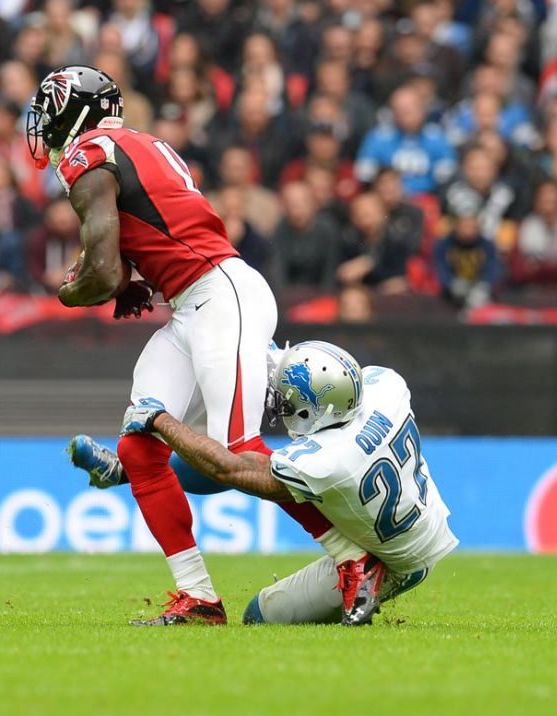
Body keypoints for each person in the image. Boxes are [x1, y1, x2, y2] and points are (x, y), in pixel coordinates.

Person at [32, 65, 340, 626]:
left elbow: (99, 274)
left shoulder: (89, 156)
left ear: (75, 113)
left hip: (221, 293)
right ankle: (197, 595)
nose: (46, 126)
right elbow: (161, 228)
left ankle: (353, 555)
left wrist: (70, 290)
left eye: (51, 110)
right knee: (138, 444)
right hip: (192, 303)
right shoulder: (143, 144)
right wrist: (136, 280)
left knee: (240, 453)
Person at [116, 341, 458, 625]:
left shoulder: (327, 461)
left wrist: (161, 421)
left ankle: (362, 566)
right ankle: (122, 472)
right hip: (425, 521)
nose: (280, 405)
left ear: (315, 411)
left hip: (398, 561)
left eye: (289, 400)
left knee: (258, 616)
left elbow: (230, 470)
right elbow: (325, 376)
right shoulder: (386, 387)